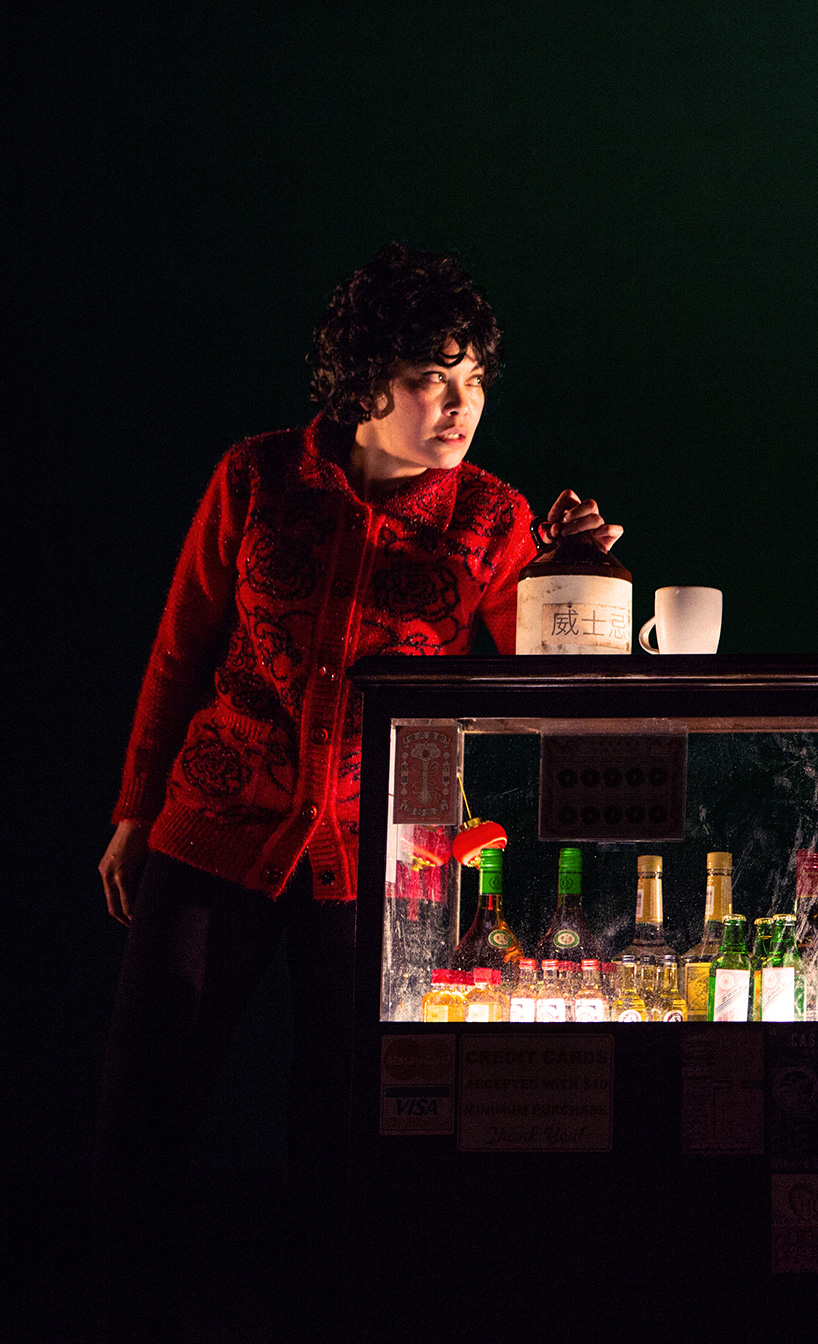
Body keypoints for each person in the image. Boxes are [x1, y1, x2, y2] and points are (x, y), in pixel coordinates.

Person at [94, 243, 622, 1343]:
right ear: (366, 381)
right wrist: (136, 811)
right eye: (433, 377)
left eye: (473, 379)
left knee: (348, 1124)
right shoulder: (257, 476)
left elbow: (537, 680)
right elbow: (182, 647)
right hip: (218, 823)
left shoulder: (494, 516)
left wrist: (572, 569)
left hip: (391, 851)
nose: (459, 404)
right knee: (148, 1103)